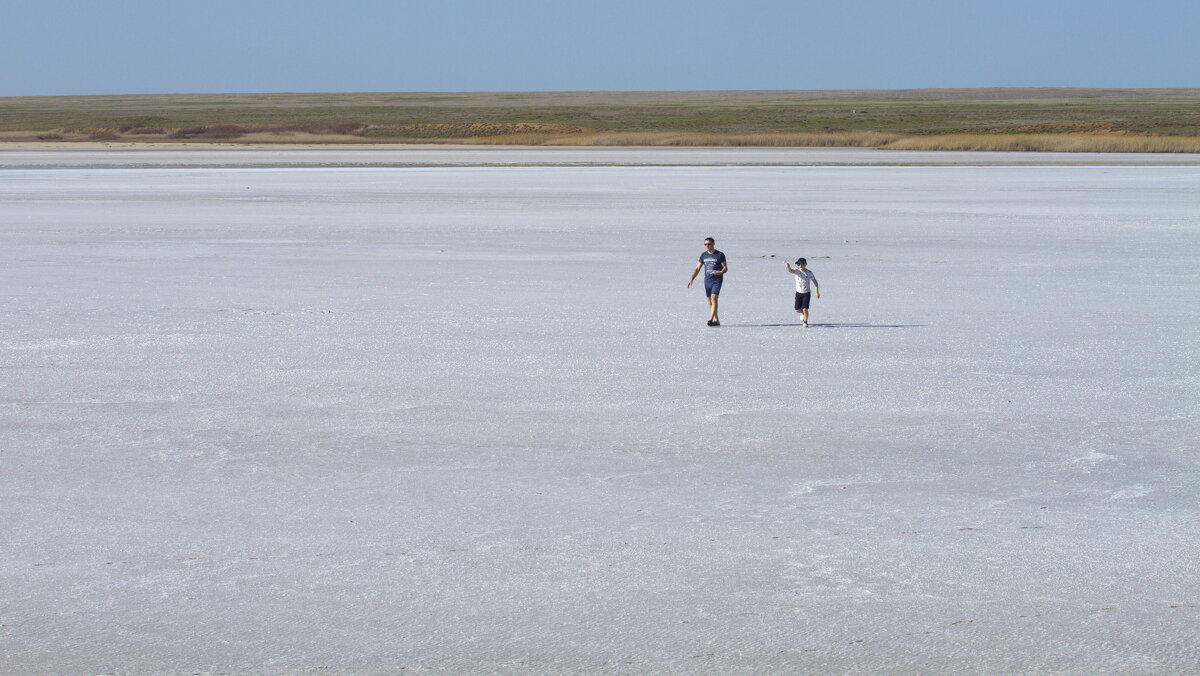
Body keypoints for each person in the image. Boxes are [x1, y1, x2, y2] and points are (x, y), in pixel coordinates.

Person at [687, 237, 728, 326]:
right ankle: (717, 321)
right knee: (709, 301)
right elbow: (697, 268)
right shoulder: (703, 255)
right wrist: (691, 278)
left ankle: (710, 319)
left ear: (713, 244)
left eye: (709, 244)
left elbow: (725, 268)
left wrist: (721, 272)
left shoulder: (720, 255)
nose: (707, 246)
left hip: (717, 280)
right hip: (707, 281)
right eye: (705, 244)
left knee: (714, 298)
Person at [785, 258, 820, 327]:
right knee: (797, 310)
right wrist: (788, 267)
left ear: (805, 264)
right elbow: (790, 271)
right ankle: (803, 314)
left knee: (805, 309)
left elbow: (815, 283)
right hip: (798, 293)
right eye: (798, 264)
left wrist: (817, 292)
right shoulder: (797, 271)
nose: (800, 265)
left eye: (802, 264)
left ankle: (805, 322)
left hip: (806, 293)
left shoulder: (809, 273)